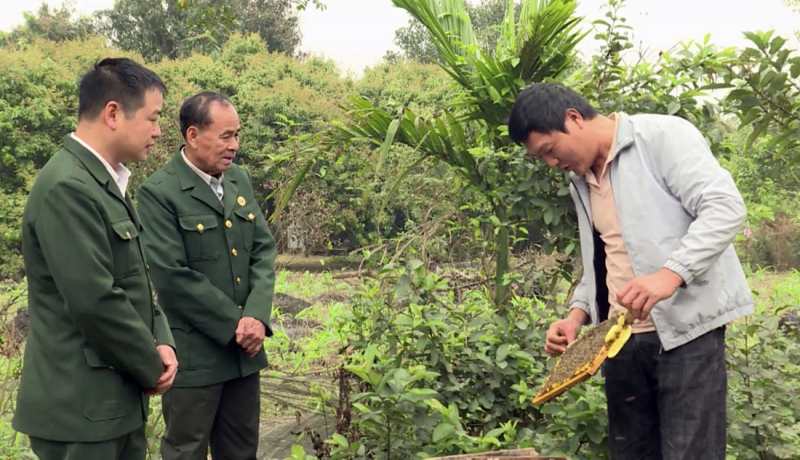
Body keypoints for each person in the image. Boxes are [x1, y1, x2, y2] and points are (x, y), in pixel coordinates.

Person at [507, 82, 754, 460]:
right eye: (542, 158)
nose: (551, 164)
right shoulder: (581, 179)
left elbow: (725, 207)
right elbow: (604, 257)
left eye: (550, 150)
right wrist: (577, 316)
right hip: (619, 342)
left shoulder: (662, 137)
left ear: (573, 119)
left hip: (686, 336)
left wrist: (670, 274)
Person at [13, 57, 177, 460]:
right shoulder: (68, 187)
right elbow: (95, 300)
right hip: (80, 410)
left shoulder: (104, 181)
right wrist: (150, 362)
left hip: (110, 405)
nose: (158, 132)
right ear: (113, 113)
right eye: (153, 119)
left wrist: (163, 340)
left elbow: (135, 279)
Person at [136, 91, 276, 460]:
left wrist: (257, 316)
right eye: (226, 136)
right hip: (195, 357)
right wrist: (238, 323)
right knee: (187, 450)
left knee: (242, 450)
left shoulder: (239, 181)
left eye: (237, 135)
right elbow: (171, 276)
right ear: (193, 135)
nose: (235, 146)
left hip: (244, 354)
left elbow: (263, 249)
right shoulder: (159, 192)